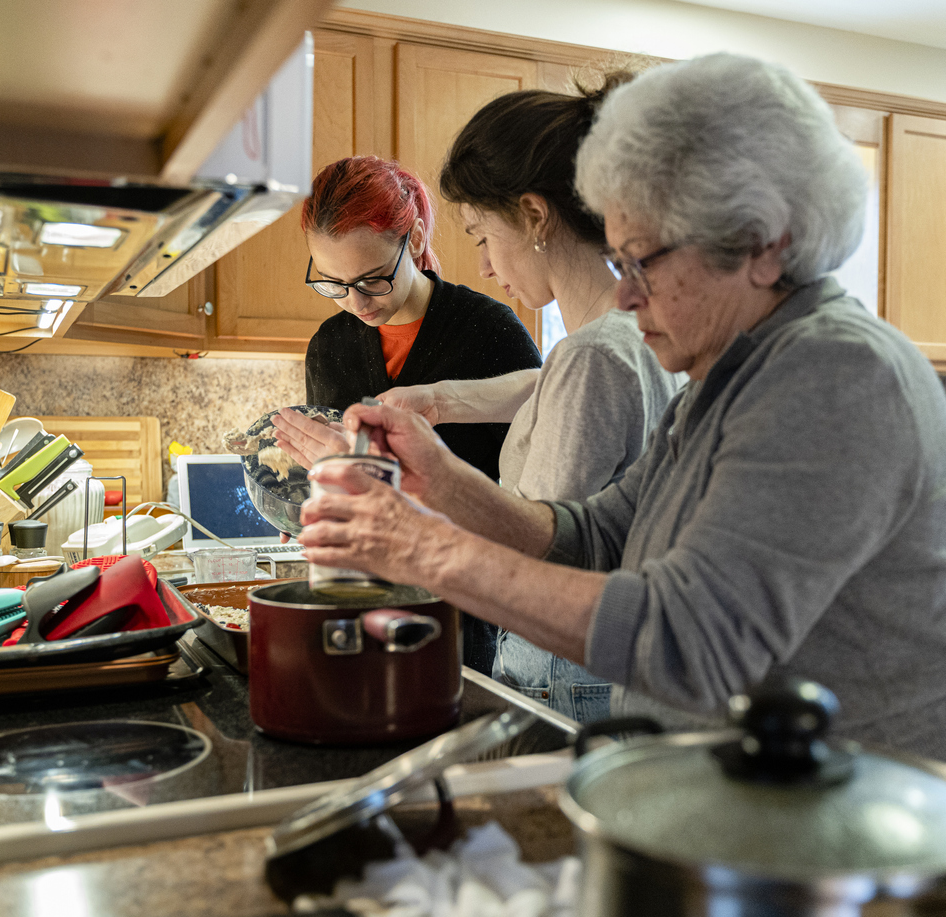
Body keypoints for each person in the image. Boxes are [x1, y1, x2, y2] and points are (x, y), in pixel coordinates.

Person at [295, 52, 946, 759]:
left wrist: (420, 544)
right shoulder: (726, 376)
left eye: (643, 262)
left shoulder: (834, 375)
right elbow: (596, 536)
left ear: (763, 244)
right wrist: (441, 485)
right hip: (728, 811)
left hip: (831, 842)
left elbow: (688, 638)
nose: (626, 297)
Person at [276, 83, 685, 723]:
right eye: (334, 285)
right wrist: (438, 402)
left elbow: (531, 541)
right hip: (586, 658)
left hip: (558, 667)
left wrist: (373, 481)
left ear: (533, 215)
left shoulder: (589, 354)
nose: (484, 264)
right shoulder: (631, 336)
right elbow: (550, 386)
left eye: (482, 235)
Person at [299, 155, 544, 674]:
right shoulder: (329, 346)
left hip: (466, 609)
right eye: (333, 283)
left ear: (412, 239)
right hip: (359, 598)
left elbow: (532, 495)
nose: (355, 302)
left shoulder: (489, 331)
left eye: (371, 279)